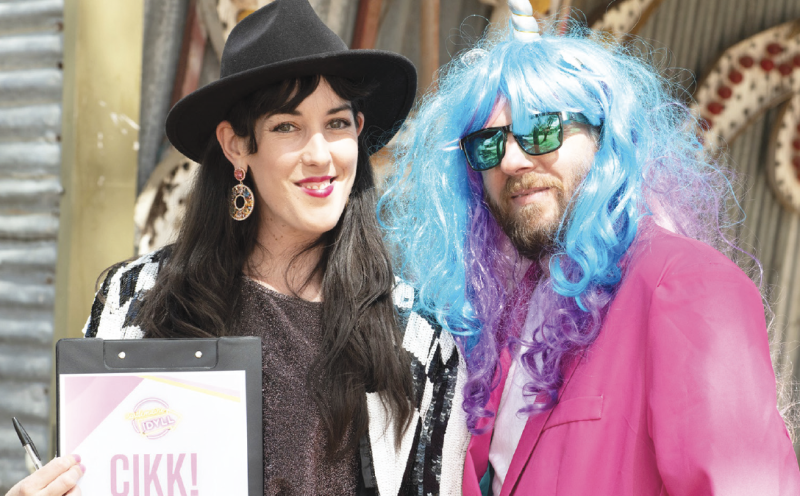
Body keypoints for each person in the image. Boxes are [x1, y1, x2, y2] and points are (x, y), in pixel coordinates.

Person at [6, 1, 470, 495]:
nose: (320, 155)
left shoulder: (415, 336)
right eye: (287, 126)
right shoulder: (138, 300)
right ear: (236, 146)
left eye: (337, 123)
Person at [378, 1, 800, 494]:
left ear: (606, 139)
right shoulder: (500, 322)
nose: (511, 160)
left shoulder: (686, 285)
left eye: (541, 130)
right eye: (489, 144)